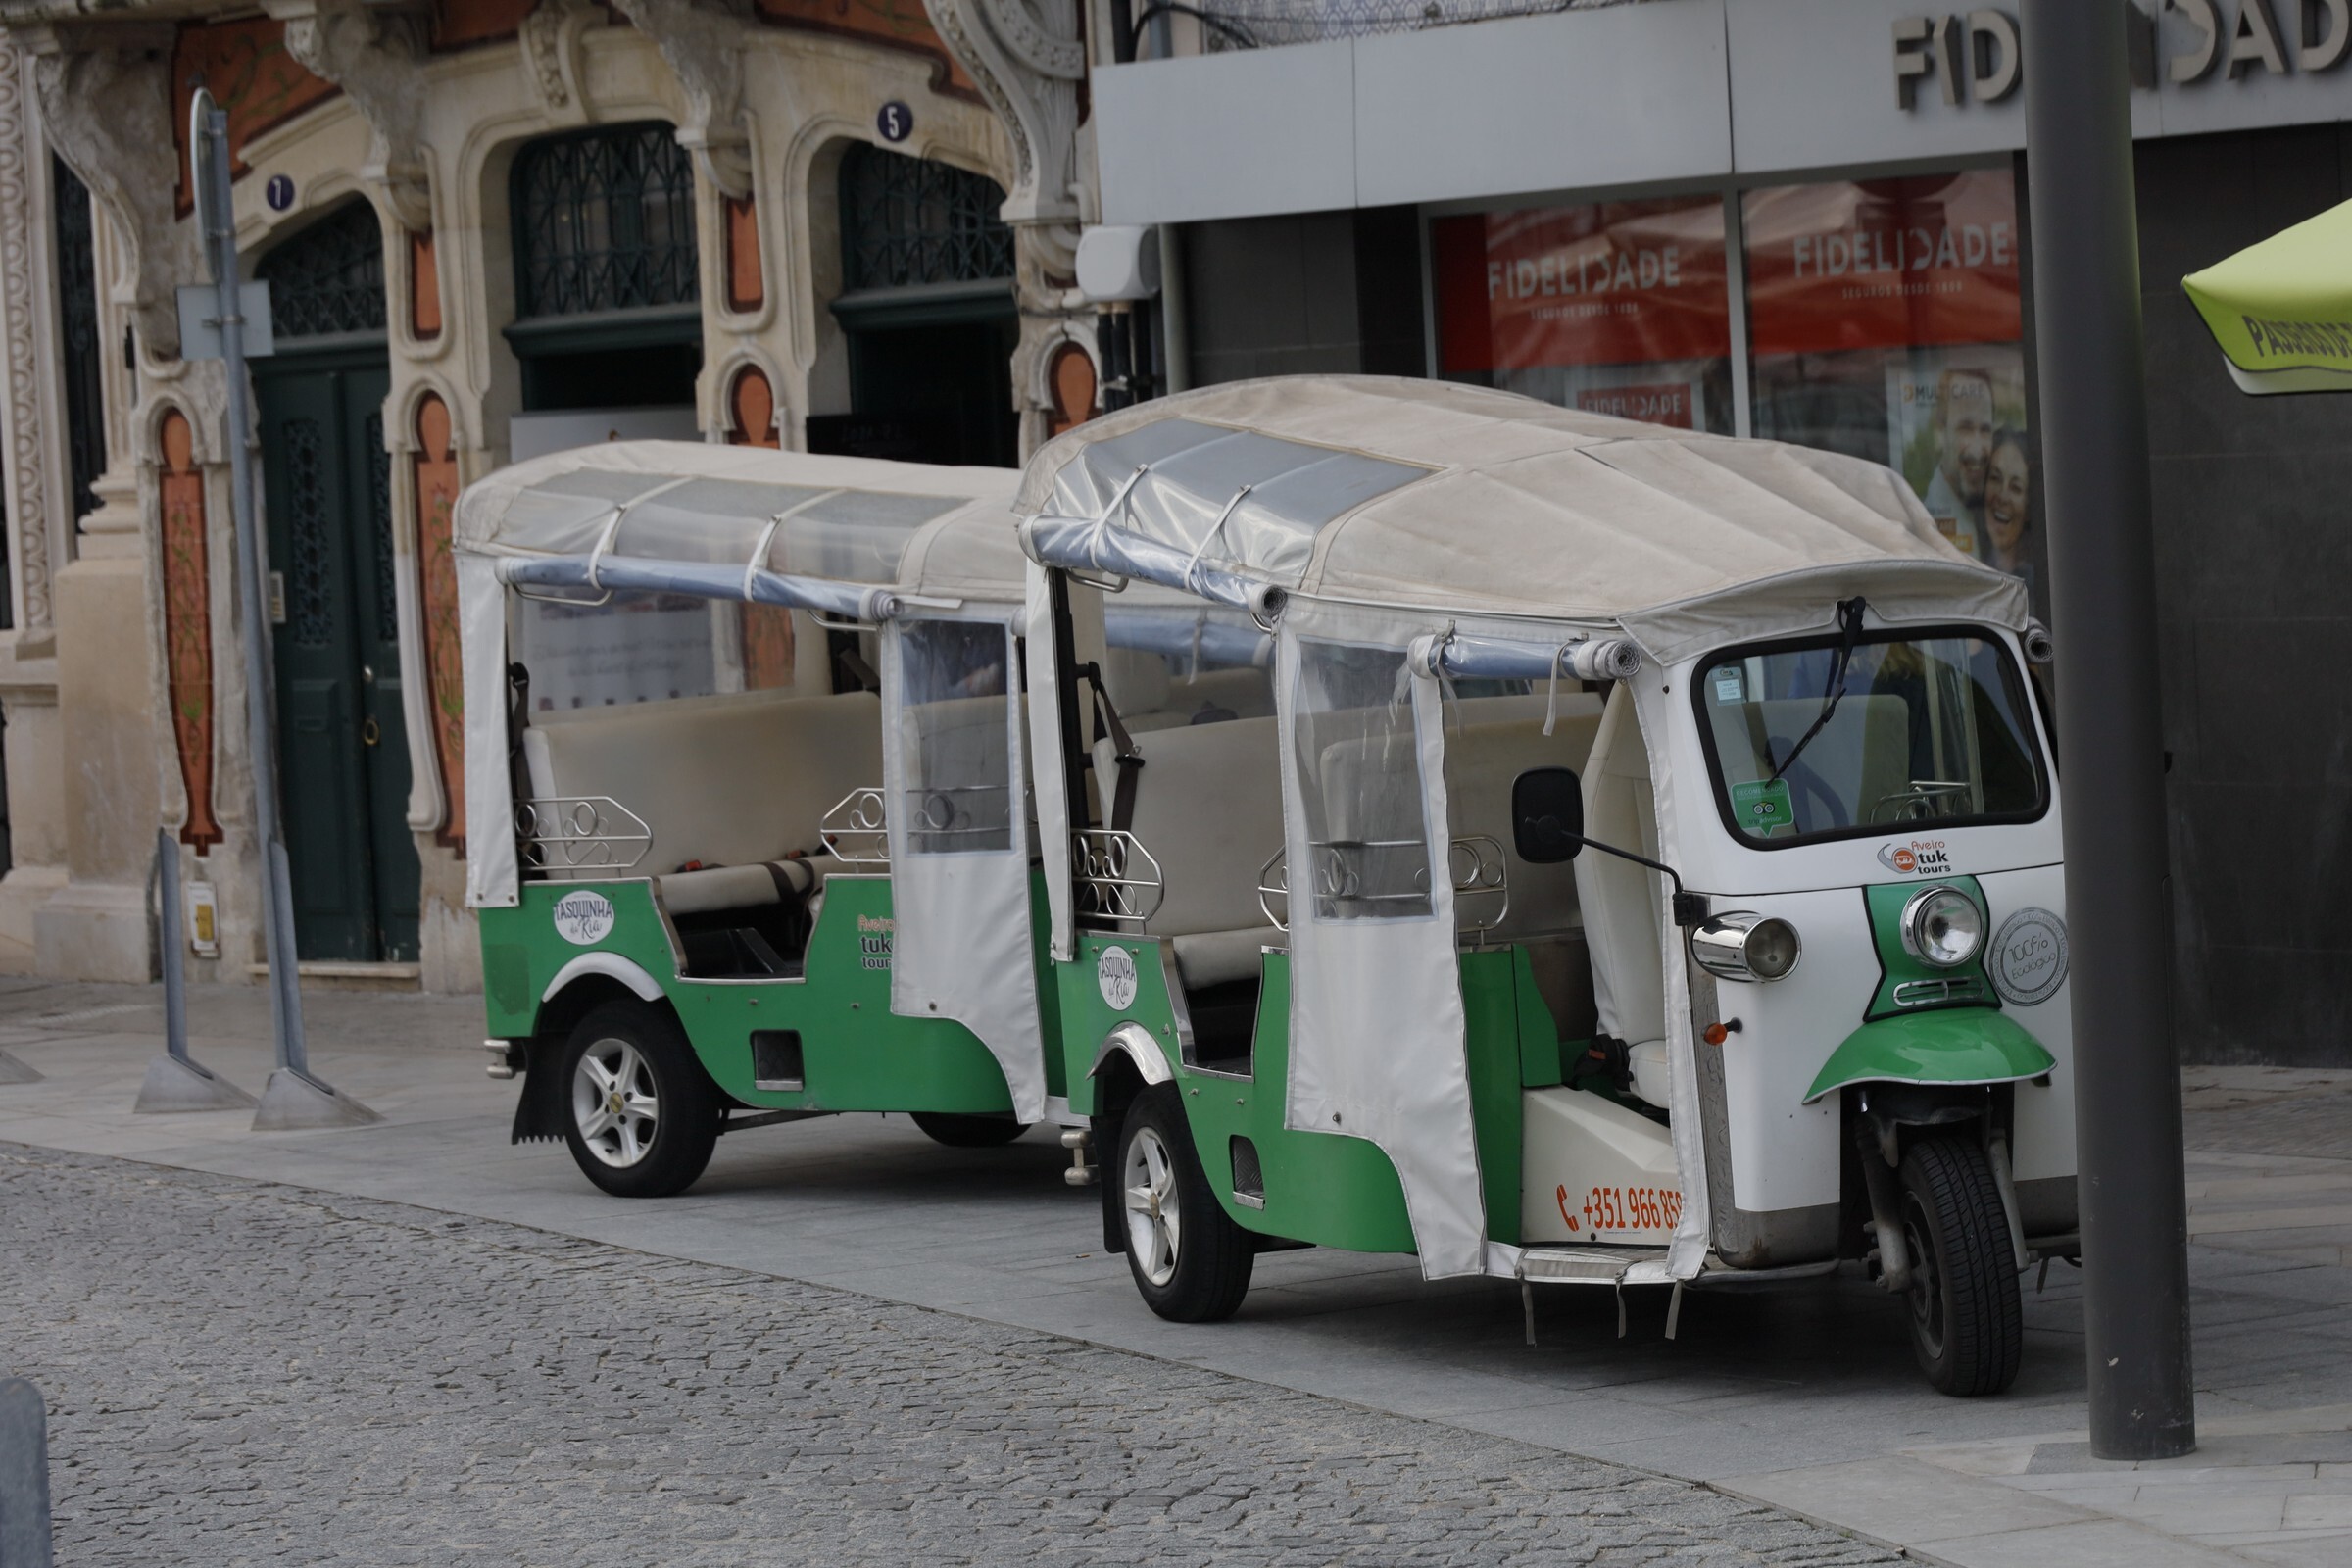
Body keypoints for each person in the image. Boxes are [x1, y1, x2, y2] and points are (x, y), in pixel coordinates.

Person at [1921, 368, 1994, 561]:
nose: (1977, 450)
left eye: (1985, 430)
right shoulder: (1928, 525)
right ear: (1940, 434)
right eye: (1965, 428)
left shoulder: (1987, 511)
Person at [1982, 425, 2034, 599]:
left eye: (2016, 488)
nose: (2002, 497)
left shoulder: (2038, 585)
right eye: (1995, 479)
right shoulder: (1971, 567)